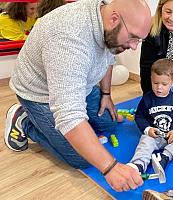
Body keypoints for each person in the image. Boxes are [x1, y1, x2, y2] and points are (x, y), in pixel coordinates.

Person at [4, 0, 151, 192]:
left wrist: (106, 94)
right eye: (132, 38)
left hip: (83, 86)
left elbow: (109, 55)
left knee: (109, 124)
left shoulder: (107, 18)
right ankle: (24, 120)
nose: (134, 46)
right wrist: (110, 168)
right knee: (81, 158)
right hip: (40, 94)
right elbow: (69, 114)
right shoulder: (69, 38)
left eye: (139, 40)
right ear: (114, 19)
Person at [127, 58, 173, 182]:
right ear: (151, 80)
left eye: (164, 84)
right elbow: (139, 116)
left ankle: (165, 157)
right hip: (154, 137)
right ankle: (138, 165)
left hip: (171, 138)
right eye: (155, 83)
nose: (159, 88)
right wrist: (148, 129)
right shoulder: (147, 99)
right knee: (145, 140)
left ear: (172, 82)